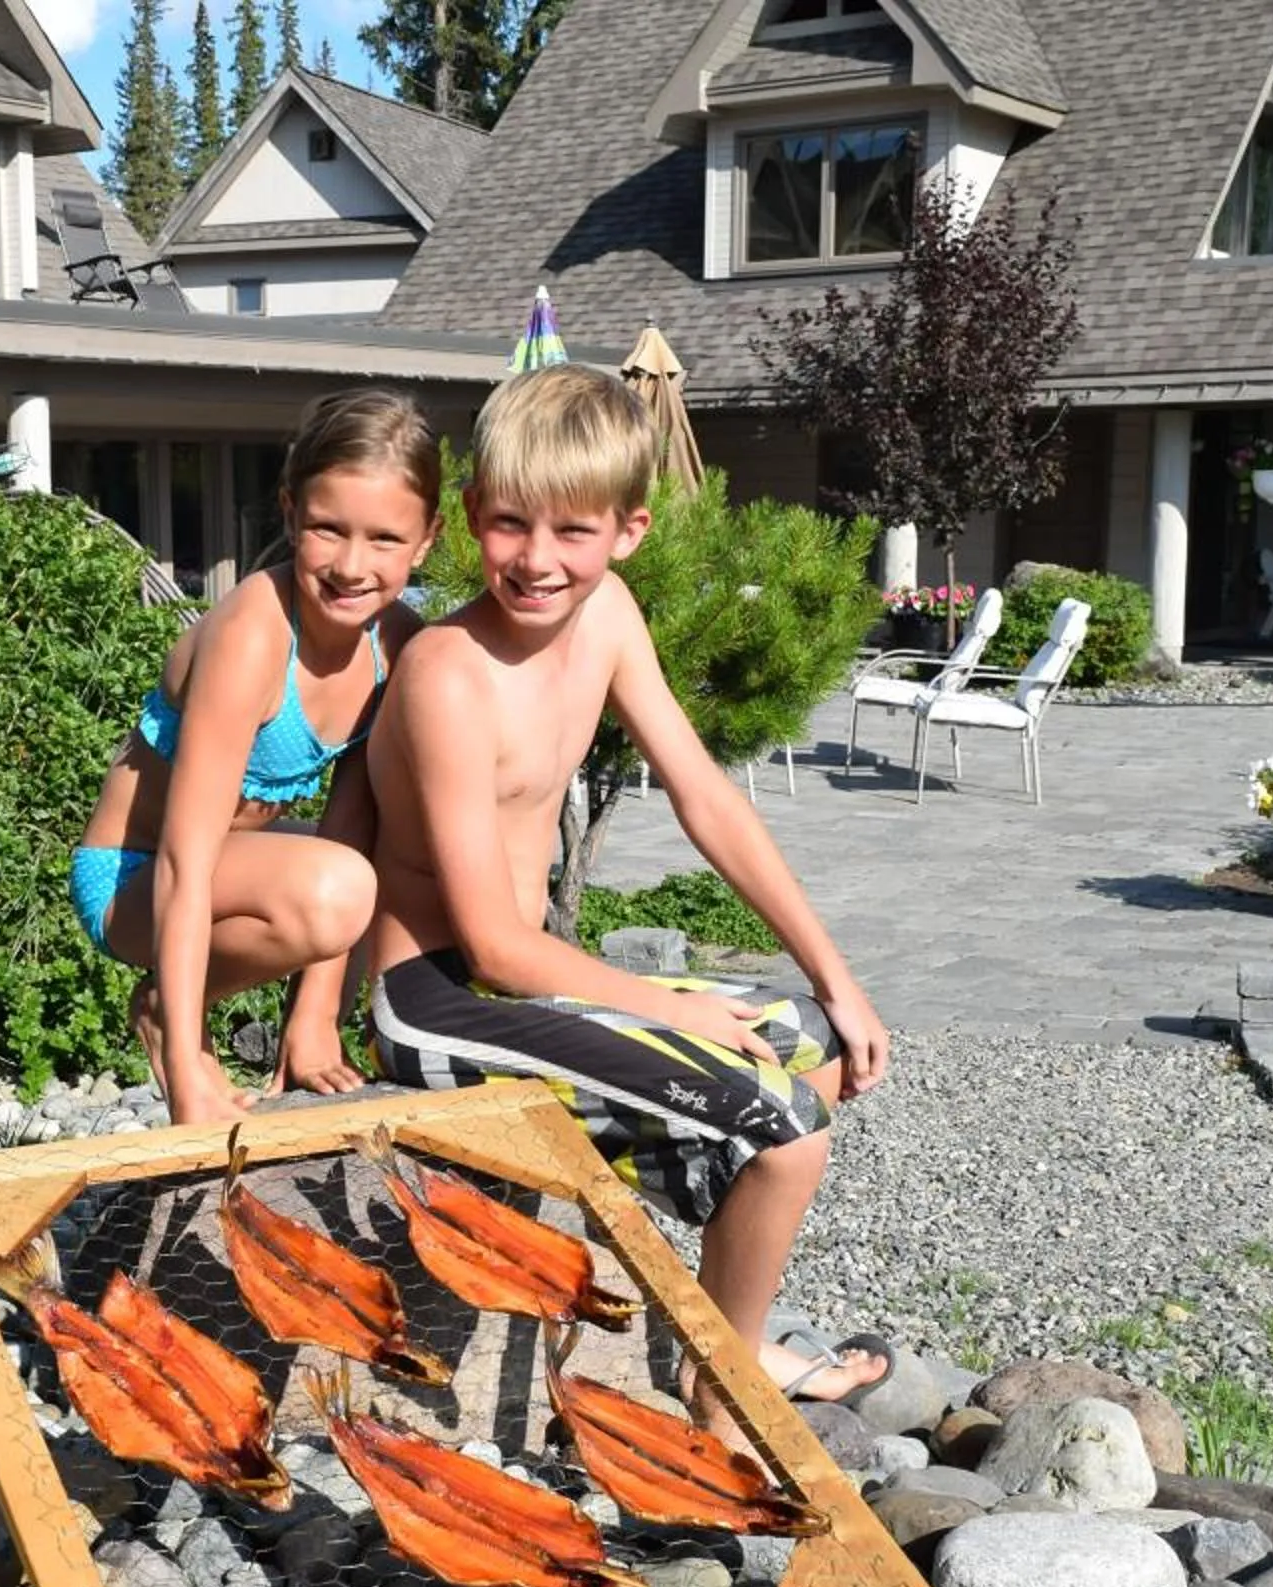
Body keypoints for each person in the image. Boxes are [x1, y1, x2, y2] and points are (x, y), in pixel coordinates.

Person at [363, 364, 891, 1400]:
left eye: (573, 532)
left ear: (629, 530)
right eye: (512, 525)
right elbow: (493, 946)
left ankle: (714, 1328)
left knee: (816, 1050)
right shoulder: (447, 674)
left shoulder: (606, 616)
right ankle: (720, 1389)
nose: (538, 560)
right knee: (786, 1133)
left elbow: (707, 797)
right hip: (435, 999)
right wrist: (672, 1007)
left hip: (521, 986)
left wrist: (836, 974)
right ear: (473, 518)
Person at [74, 389, 442, 1127]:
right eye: (327, 530)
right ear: (288, 512)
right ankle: (167, 1014)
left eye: (384, 540)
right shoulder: (252, 637)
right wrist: (186, 1067)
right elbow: (185, 861)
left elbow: (351, 825)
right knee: (335, 888)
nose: (351, 565)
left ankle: (315, 1034)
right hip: (137, 878)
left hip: (240, 860)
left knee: (400, 853)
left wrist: (314, 1018)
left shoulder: (393, 641)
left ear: (427, 540)